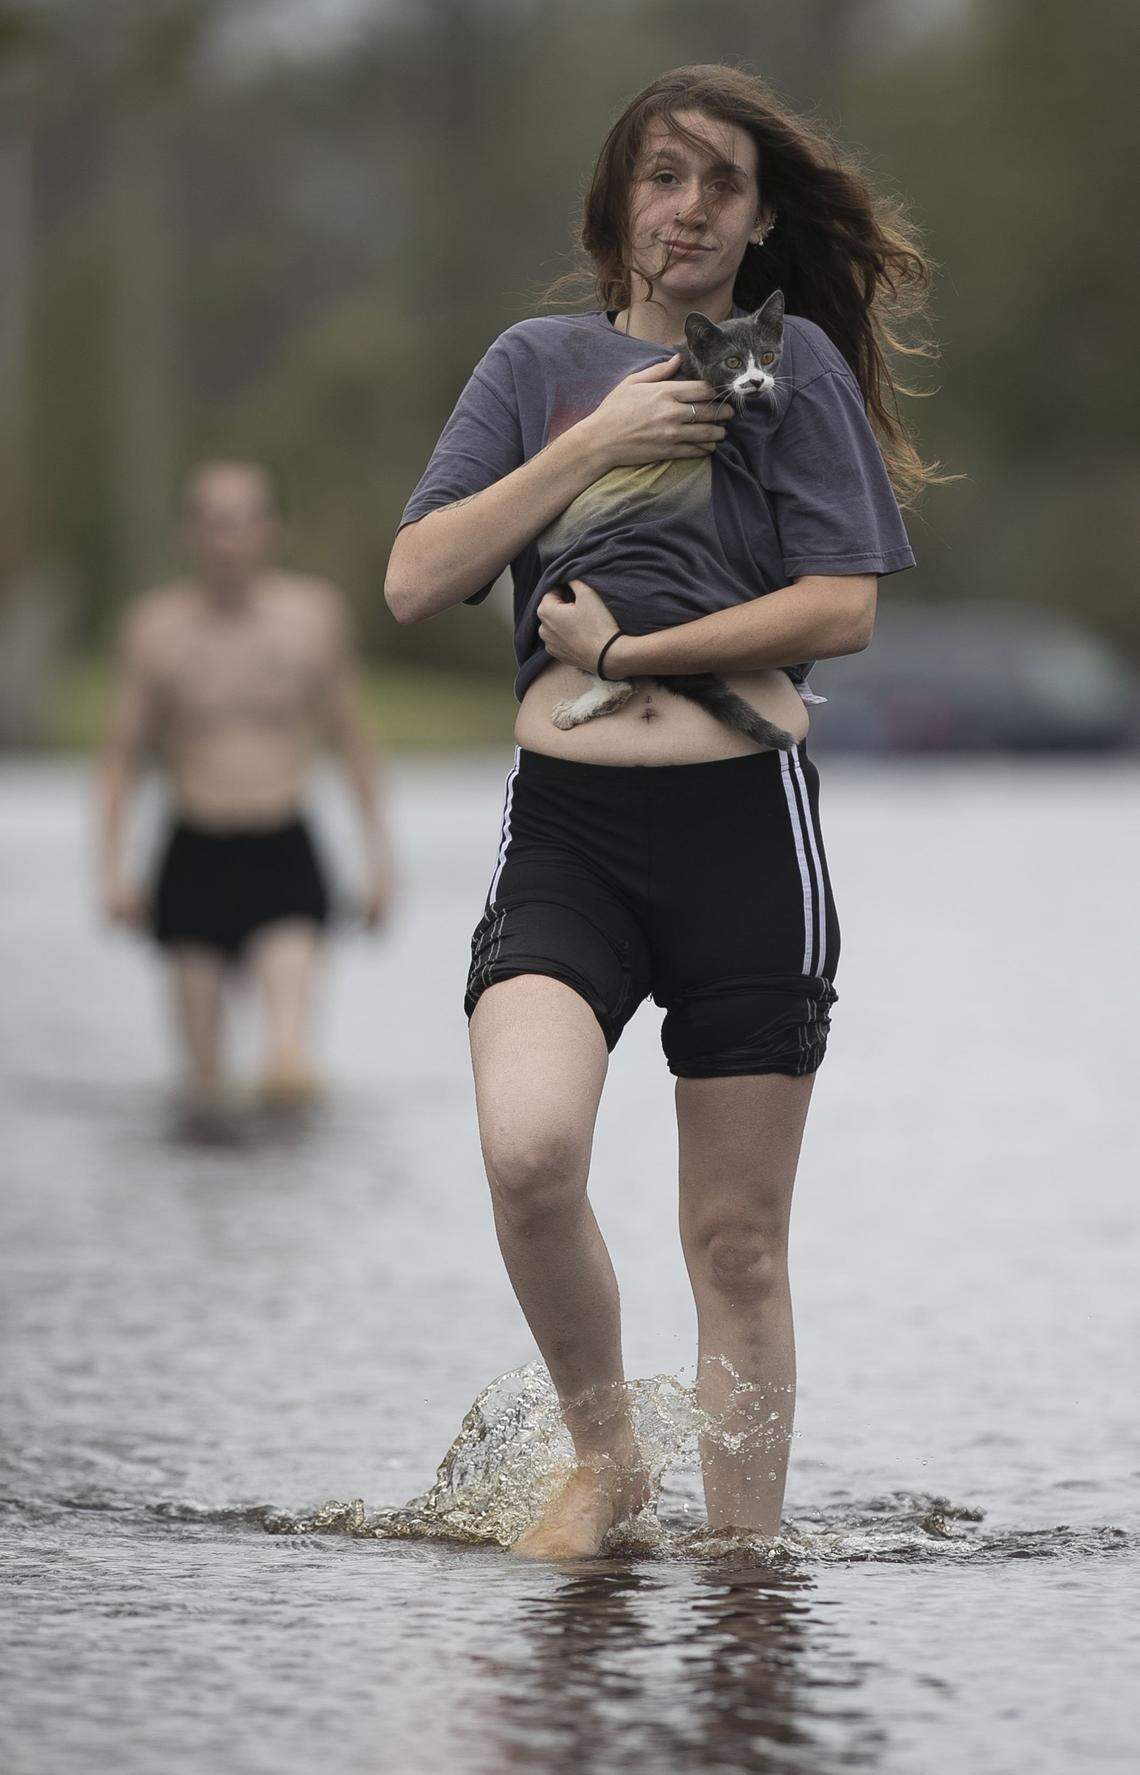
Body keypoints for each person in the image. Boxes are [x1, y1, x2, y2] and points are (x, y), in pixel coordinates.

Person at [385, 66, 939, 1558]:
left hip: (749, 840)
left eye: (722, 186)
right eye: (663, 176)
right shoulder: (532, 365)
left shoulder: (797, 370)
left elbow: (838, 611)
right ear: (619, 201)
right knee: (528, 1152)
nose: (689, 207)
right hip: (567, 832)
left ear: (761, 225)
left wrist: (626, 651)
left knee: (737, 1240)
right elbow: (416, 578)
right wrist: (591, 444)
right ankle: (607, 1453)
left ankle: (747, 1565)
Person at [96, 460, 396, 1127]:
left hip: (282, 847)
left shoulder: (311, 617)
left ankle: (288, 1202)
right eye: (212, 522)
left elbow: (354, 743)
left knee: (287, 1070)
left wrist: (381, 863)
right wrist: (112, 870)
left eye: (240, 521)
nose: (227, 538)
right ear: (189, 534)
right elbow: (120, 760)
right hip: (193, 850)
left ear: (269, 530)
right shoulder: (155, 629)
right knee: (202, 1095)